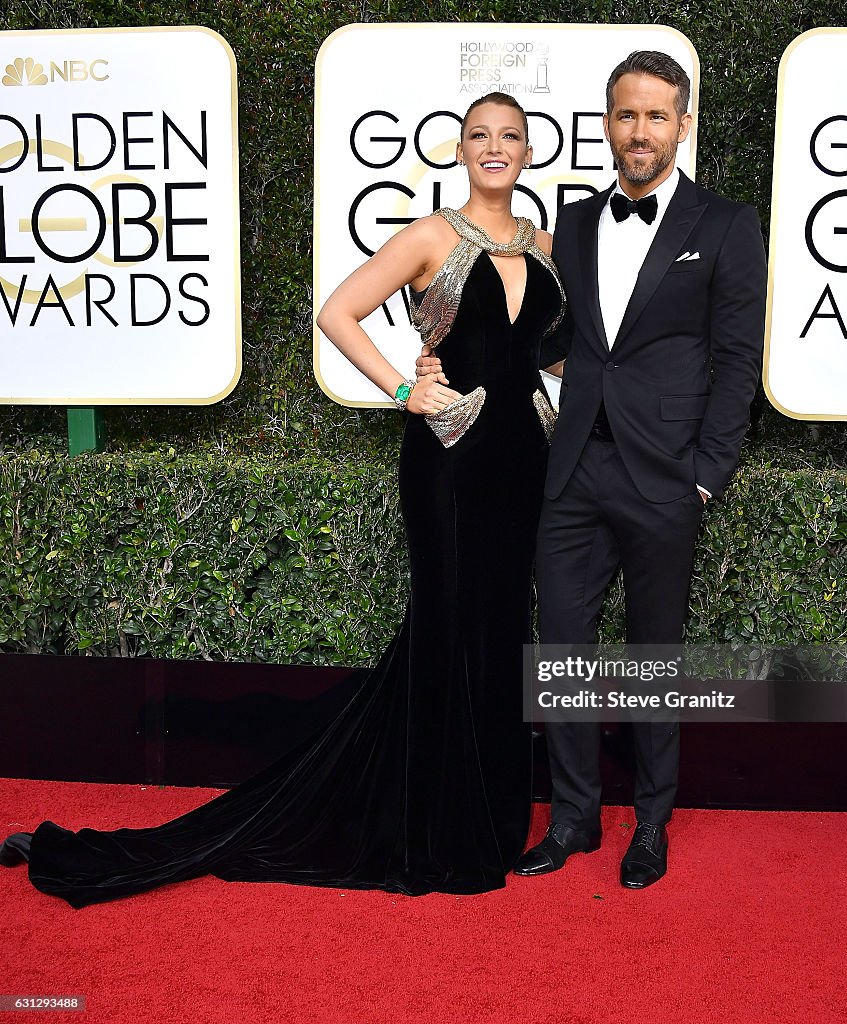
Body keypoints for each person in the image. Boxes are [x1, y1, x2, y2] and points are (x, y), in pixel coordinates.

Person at [0, 93, 564, 907]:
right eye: (480, 136)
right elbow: (336, 311)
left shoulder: (545, 247)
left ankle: (487, 813)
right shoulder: (431, 235)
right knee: (446, 630)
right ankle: (435, 823)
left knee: (504, 626)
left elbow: (572, 343)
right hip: (447, 456)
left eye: (508, 137)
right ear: (459, 149)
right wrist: (404, 387)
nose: (494, 148)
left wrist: (555, 390)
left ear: (527, 150)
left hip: (522, 464)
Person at [421, 51, 767, 889]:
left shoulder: (723, 224)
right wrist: (430, 361)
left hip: (664, 477)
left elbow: (735, 357)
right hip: (570, 468)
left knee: (652, 657)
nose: (638, 131)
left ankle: (650, 824)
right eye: (625, 115)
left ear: (681, 125)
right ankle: (573, 818)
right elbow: (533, 334)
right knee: (564, 650)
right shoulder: (570, 225)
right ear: (605, 124)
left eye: (656, 115)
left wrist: (704, 475)